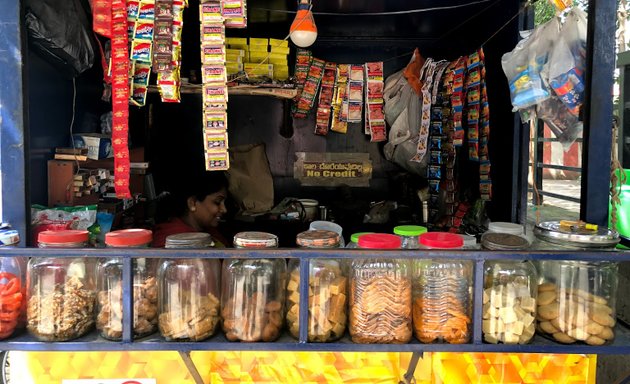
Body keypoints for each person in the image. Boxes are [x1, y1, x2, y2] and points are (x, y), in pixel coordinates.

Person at [152, 170, 230, 247]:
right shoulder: (173, 244)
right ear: (192, 203)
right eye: (217, 202)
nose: (224, 209)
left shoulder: (209, 231)